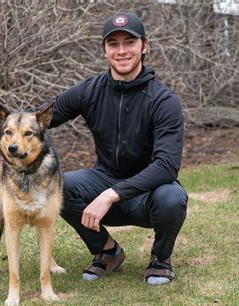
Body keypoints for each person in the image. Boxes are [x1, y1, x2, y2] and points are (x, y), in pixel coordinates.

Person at [49, 12, 188, 285]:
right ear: (104, 50)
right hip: (105, 179)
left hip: (149, 196)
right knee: (58, 186)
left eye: (129, 42)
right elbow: (41, 118)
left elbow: (166, 166)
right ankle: (107, 251)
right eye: (113, 43)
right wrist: (9, 128)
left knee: (172, 197)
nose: (122, 50)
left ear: (144, 46)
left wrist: (111, 195)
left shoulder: (163, 100)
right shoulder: (90, 91)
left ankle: (161, 258)